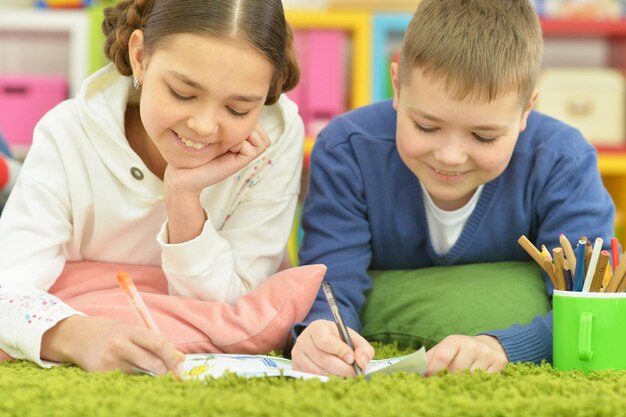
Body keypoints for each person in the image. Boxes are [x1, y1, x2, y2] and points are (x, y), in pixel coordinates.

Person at [291, 0, 615, 377]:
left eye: (484, 136)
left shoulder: (563, 160)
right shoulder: (346, 149)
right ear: (397, 85)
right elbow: (329, 284)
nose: (449, 156)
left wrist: (502, 346)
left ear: (526, 111)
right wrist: (322, 332)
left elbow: (593, 307)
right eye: (426, 127)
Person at [0, 0, 303, 376]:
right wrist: (76, 333)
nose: (205, 126)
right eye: (183, 93)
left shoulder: (275, 135)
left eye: (238, 110)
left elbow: (233, 310)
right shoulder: (67, 134)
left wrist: (184, 199)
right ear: (140, 57)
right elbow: (7, 290)